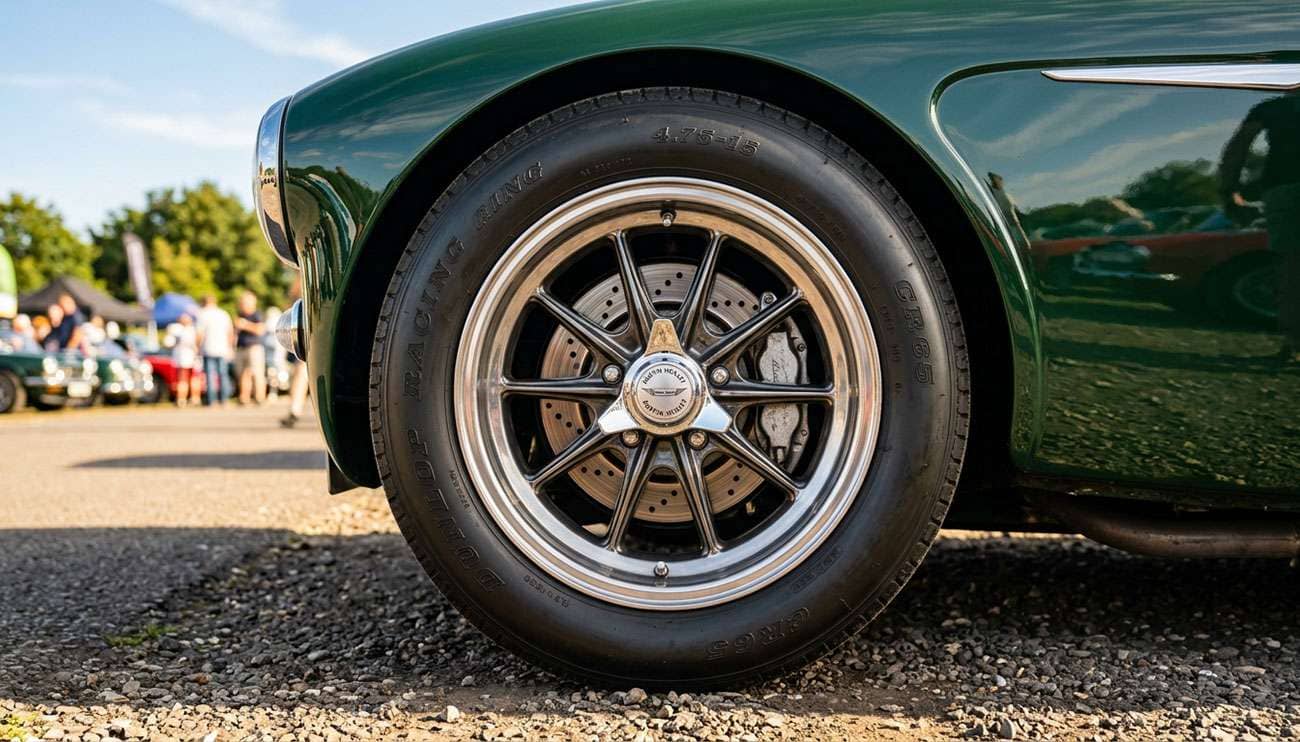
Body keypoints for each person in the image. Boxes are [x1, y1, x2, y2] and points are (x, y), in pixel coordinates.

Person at [195, 295, 235, 406]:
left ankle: (211, 400)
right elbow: (230, 332)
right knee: (223, 374)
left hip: (208, 349)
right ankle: (224, 399)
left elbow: (199, 334)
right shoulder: (223, 313)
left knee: (210, 376)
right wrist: (230, 347)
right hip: (222, 349)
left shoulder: (202, 314)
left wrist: (197, 347)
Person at [233, 290, 267, 404]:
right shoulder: (240, 314)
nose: (243, 305)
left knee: (257, 373)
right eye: (242, 302)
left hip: (254, 347)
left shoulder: (257, 314)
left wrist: (245, 325)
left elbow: (260, 330)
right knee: (242, 373)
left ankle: (260, 397)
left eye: (245, 302)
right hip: (241, 347)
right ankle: (244, 397)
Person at [169, 312, 202, 407]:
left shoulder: (178, 330)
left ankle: (184, 399)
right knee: (190, 378)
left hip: (187, 357)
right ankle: (190, 399)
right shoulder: (190, 329)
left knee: (186, 378)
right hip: (189, 357)